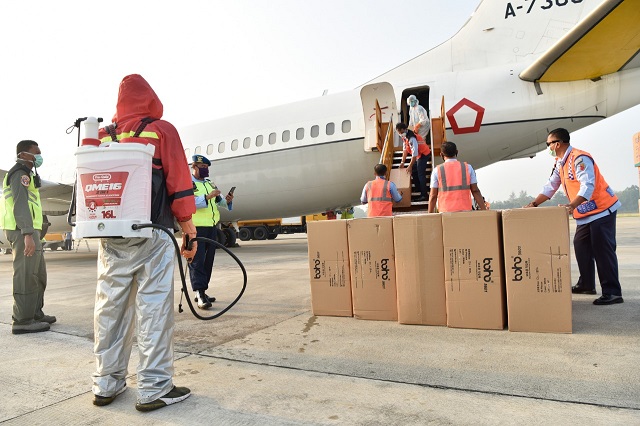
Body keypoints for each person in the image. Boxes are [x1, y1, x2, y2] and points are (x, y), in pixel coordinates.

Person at [92, 74, 198, 412]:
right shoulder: (162, 130)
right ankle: (154, 387)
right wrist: (189, 231)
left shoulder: (100, 136)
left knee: (110, 309)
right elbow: (179, 182)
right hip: (153, 233)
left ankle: (106, 383)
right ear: (150, 99)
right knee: (153, 308)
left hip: (111, 236)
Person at [525, 128, 623, 306]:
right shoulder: (560, 163)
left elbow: (588, 185)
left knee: (602, 250)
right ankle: (586, 284)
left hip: (601, 209)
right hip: (585, 213)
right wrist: (534, 204)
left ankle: (612, 292)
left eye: (549, 144)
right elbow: (551, 186)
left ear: (557, 144)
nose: (548, 148)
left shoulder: (579, 158)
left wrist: (571, 205)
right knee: (581, 246)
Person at [0, 140, 55, 334]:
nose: (39, 157)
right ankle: (23, 320)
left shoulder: (28, 175)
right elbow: (20, 204)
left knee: (38, 275)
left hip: (31, 232)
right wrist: (27, 234)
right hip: (22, 231)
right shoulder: (19, 174)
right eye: (35, 153)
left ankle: (35, 313)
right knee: (25, 275)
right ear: (23, 155)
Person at [189, 154, 233, 309]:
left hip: (211, 227)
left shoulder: (209, 183)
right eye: (203, 167)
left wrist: (226, 200)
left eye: (207, 167)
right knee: (197, 261)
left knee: (208, 261)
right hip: (196, 228)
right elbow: (188, 204)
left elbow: (219, 201)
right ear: (194, 167)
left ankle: (202, 290)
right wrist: (207, 197)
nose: (206, 170)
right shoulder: (188, 184)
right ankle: (199, 294)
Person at [428, 141, 486, 213]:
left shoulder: (437, 170)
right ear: (457, 152)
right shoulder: (468, 167)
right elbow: (475, 190)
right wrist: (484, 210)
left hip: (446, 212)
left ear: (441, 154)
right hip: (465, 210)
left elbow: (433, 195)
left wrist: (429, 214)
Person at [396, 122, 431, 201]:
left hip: (423, 154)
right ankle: (418, 188)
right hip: (418, 155)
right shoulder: (405, 137)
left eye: (401, 132)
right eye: (399, 133)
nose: (400, 134)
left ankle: (424, 194)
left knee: (420, 173)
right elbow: (405, 150)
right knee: (414, 171)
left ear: (405, 129)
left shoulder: (412, 138)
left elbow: (414, 154)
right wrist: (402, 162)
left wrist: (410, 166)